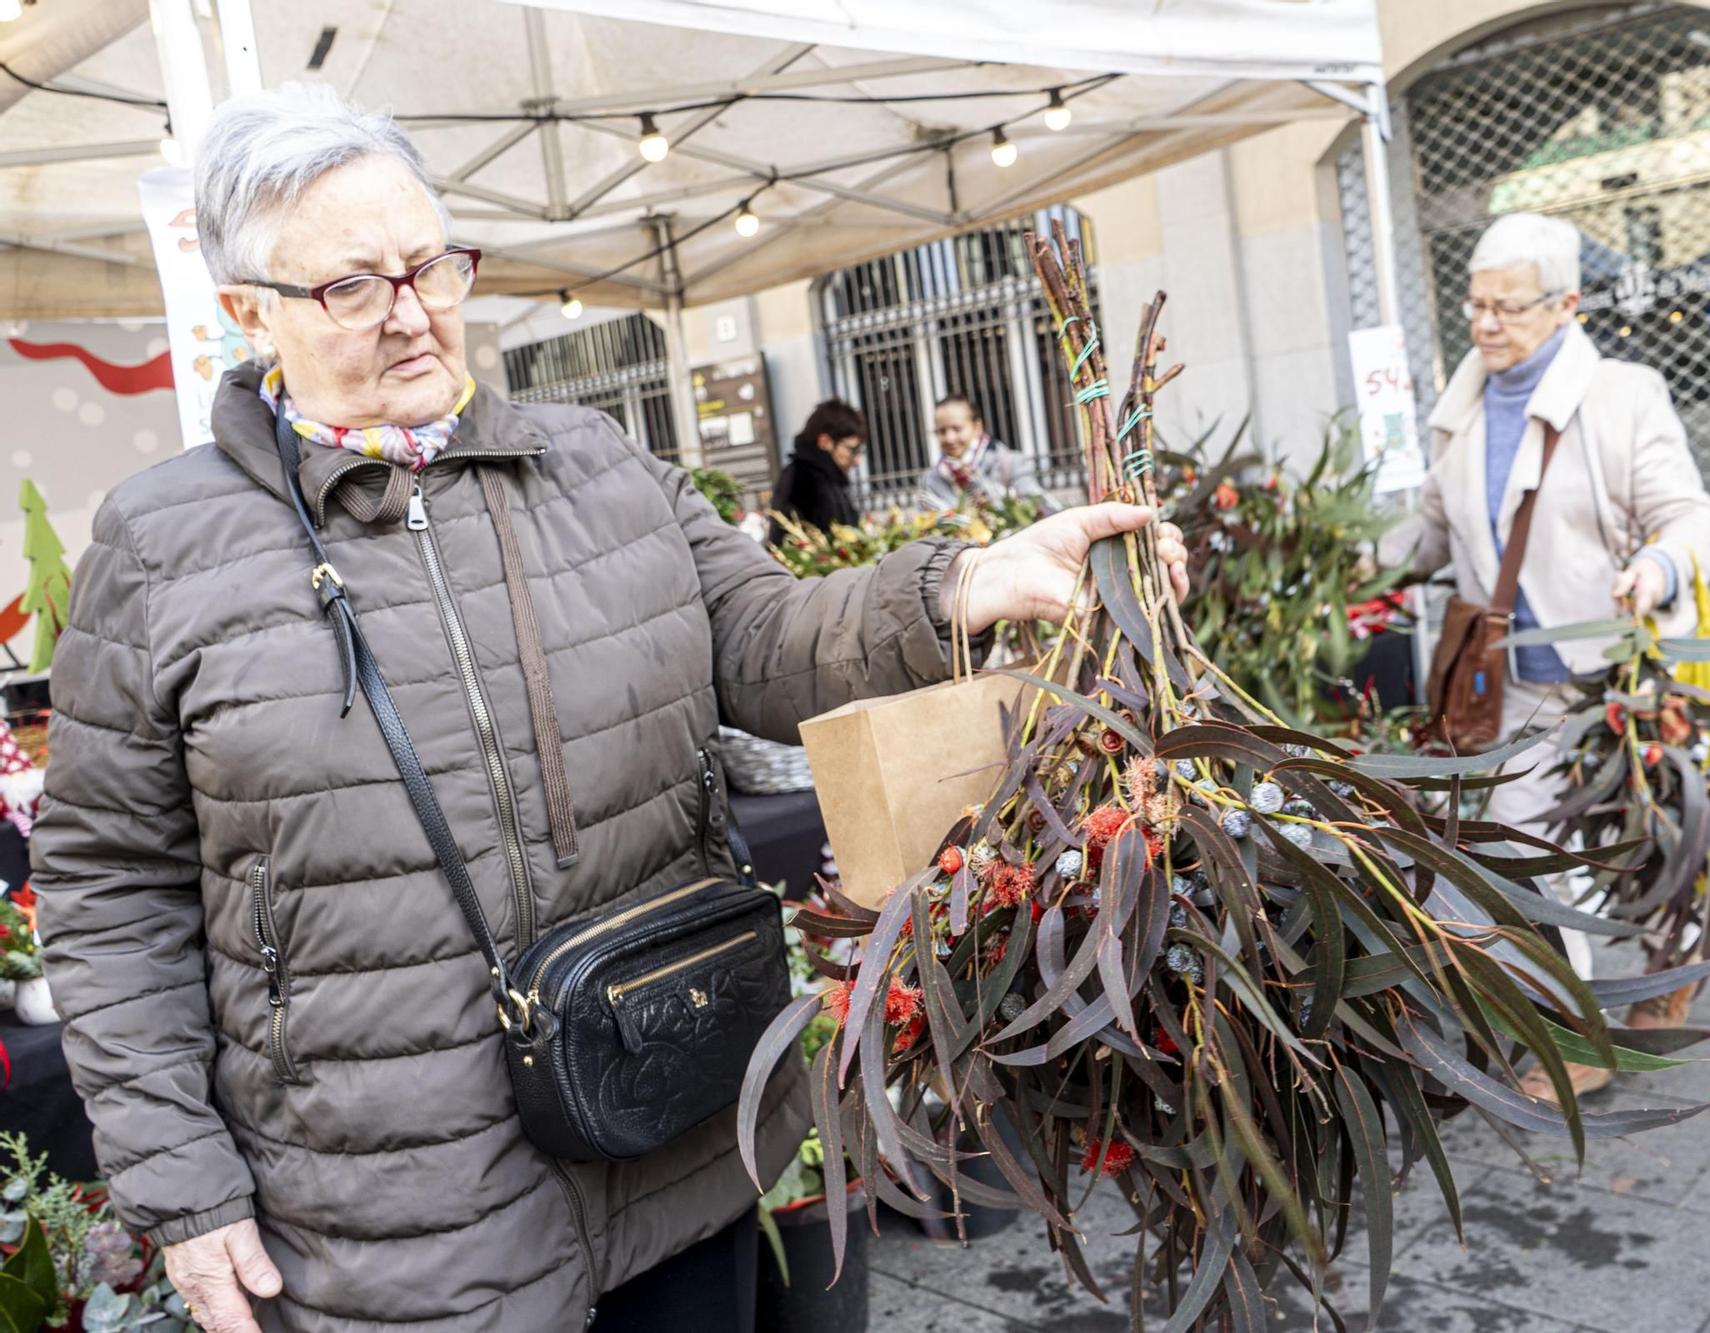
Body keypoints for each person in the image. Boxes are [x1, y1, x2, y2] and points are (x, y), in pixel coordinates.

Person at [28, 83, 1189, 1333]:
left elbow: (763, 637)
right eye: (352, 288)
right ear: (247, 310)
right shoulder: (162, 549)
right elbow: (108, 887)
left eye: (432, 266)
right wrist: (183, 1189)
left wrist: (965, 582)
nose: (414, 315)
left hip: (674, 1131)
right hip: (396, 1222)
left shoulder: (596, 467)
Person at [1384, 211, 1710, 1100]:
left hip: (1619, 677)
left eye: (1510, 307)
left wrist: (1656, 566)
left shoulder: (1623, 394)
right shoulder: (1458, 411)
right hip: (1513, 686)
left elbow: (1692, 517)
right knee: (1529, 849)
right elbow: (1432, 530)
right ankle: (1579, 1031)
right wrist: (1349, 556)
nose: (1488, 324)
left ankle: (1672, 966)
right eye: (1475, 306)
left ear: (1569, 303)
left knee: (1655, 836)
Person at [922, 394, 1052, 512]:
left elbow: (1038, 506)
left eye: (957, 429)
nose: (949, 438)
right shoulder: (931, 480)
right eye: (941, 431)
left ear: (977, 427)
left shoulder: (1009, 463)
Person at [767, 398, 864, 537]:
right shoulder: (804, 479)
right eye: (852, 450)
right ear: (825, 442)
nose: (857, 461)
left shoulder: (824, 477)